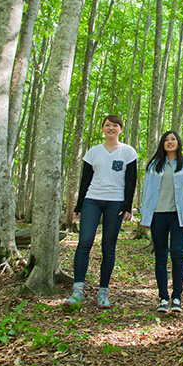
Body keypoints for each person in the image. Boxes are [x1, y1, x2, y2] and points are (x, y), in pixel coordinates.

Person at [64, 115, 138, 309]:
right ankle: (77, 291)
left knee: (108, 247)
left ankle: (103, 293)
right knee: (84, 242)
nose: (111, 128)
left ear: (121, 129)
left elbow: (131, 181)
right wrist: (79, 206)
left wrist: (127, 207)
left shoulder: (128, 152)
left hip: (116, 202)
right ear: (103, 129)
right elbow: (85, 180)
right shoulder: (93, 152)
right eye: (107, 125)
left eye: (115, 125)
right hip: (92, 200)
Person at [140, 131, 183, 313]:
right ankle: (163, 298)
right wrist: (146, 216)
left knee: (177, 254)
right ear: (162, 144)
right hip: (158, 215)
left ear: (178, 142)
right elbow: (147, 191)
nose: (170, 142)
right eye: (166, 140)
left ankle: (177, 297)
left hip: (179, 216)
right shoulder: (154, 165)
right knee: (161, 256)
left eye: (173, 139)